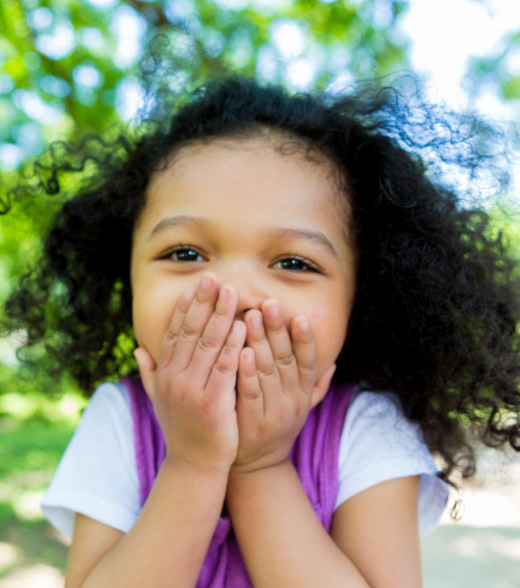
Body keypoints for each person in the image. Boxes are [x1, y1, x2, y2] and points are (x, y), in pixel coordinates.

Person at [3, 73, 520, 588]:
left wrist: (261, 466)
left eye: (294, 261)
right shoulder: (119, 419)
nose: (235, 290)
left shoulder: (367, 425)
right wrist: (192, 466)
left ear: (359, 301)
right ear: (127, 278)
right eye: (185, 253)